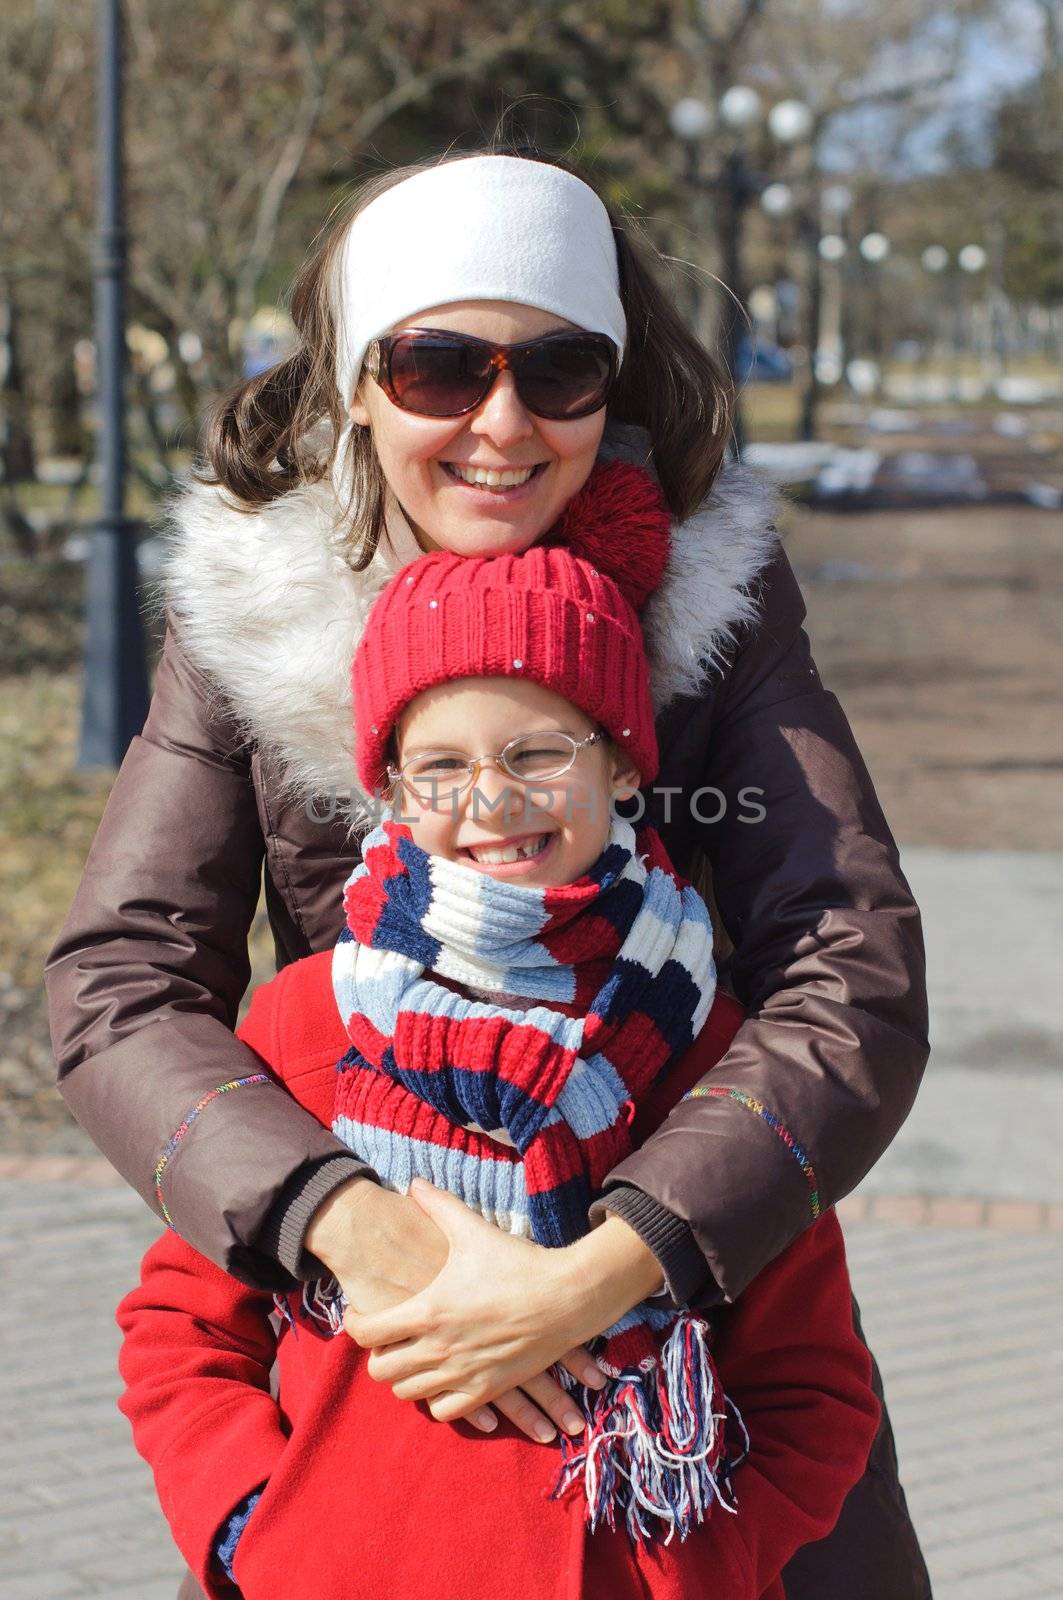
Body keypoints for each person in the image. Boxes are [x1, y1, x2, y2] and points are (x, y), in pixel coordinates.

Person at [47, 145, 930, 1597]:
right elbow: (120, 982)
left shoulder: (711, 589)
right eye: (438, 368)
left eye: (558, 369)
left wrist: (603, 1270)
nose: (502, 425)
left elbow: (850, 962)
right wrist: (355, 1241)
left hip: (680, 1415)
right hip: (379, 1454)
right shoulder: (256, 610)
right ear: (353, 384)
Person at [116, 528, 881, 1600]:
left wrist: (686, 1569)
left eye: (536, 752)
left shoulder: (704, 1043)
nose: (491, 799)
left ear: (619, 763)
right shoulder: (305, 1023)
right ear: (386, 787)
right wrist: (258, 1525)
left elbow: (814, 1385)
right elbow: (181, 1331)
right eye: (440, 765)